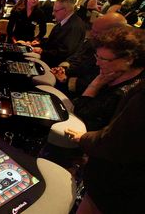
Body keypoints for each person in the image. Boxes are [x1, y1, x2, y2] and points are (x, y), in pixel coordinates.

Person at [65, 80, 145, 214]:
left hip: (118, 184)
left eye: (104, 59)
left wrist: (84, 138)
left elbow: (116, 140)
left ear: (130, 60)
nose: (96, 62)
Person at [72, 26, 145, 131]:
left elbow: (81, 112)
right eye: (97, 57)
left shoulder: (128, 93)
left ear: (128, 59)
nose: (97, 63)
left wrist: (96, 83)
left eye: (103, 59)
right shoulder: (112, 71)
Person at [51, 12, 128, 96]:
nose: (91, 34)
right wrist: (63, 68)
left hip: (79, 92)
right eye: (92, 29)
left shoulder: (115, 56)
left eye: (96, 32)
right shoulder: (93, 41)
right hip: (69, 78)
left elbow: (94, 83)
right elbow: (77, 56)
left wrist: (66, 79)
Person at [33, 0, 86, 67]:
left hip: (55, 64)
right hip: (49, 57)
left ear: (65, 10)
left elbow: (64, 52)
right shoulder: (65, 21)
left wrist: (42, 52)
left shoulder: (75, 27)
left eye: (55, 11)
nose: (53, 13)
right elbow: (54, 42)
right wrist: (39, 43)